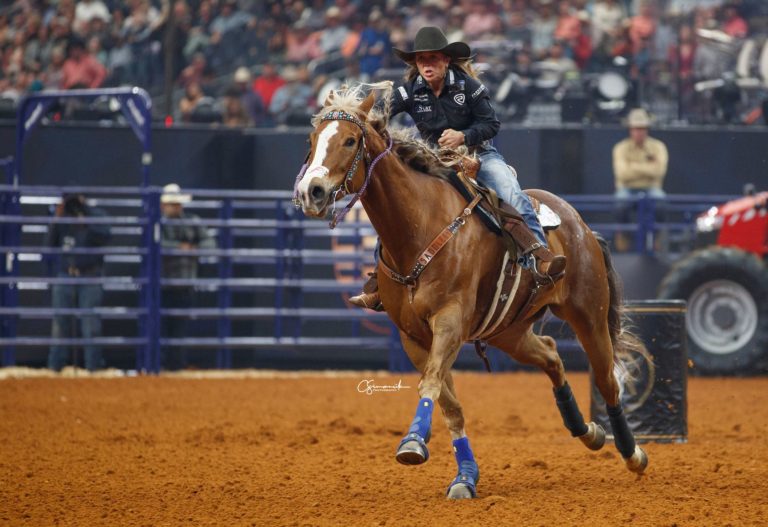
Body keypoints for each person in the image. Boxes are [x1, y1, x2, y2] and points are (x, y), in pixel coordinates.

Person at [349, 26, 566, 310]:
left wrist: (463, 136)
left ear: (446, 60)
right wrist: (350, 115)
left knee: (510, 193)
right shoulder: (408, 91)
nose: (427, 65)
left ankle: (541, 258)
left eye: (433, 58)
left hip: (479, 156)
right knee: (399, 209)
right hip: (434, 161)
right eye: (421, 60)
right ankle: (381, 282)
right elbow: (378, 113)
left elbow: (491, 125)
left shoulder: (470, 87)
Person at [47, 193, 111, 372]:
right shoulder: (62, 218)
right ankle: (55, 368)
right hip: (66, 274)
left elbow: (106, 237)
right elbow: (48, 246)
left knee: (90, 325)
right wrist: (57, 219)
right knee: (60, 323)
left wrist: (86, 222)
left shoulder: (96, 216)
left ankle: (93, 368)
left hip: (90, 274)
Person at [159, 184, 215, 371]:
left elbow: (210, 244)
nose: (176, 207)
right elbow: (155, 245)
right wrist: (179, 248)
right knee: (159, 328)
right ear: (163, 206)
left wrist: (194, 250)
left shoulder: (192, 222)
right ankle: (159, 365)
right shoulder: (157, 223)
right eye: (172, 204)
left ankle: (175, 366)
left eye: (178, 204)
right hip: (161, 285)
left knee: (179, 329)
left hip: (184, 284)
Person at [612, 108, 669, 250]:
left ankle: (657, 235)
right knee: (620, 203)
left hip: (652, 188)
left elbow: (659, 172)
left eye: (642, 128)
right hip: (627, 189)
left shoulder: (658, 147)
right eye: (636, 128)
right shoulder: (620, 148)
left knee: (661, 202)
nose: (639, 132)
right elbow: (622, 174)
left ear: (647, 129)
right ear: (630, 129)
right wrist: (647, 167)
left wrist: (633, 167)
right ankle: (624, 234)